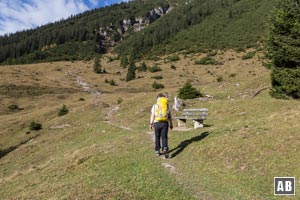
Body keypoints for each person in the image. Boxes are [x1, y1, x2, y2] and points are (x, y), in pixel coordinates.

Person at [149, 93, 173, 157]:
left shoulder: (155, 105)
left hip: (157, 123)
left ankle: (157, 150)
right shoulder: (167, 105)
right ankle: (165, 148)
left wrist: (151, 123)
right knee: (164, 137)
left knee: (157, 137)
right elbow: (169, 115)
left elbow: (152, 115)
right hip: (165, 123)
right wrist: (171, 124)